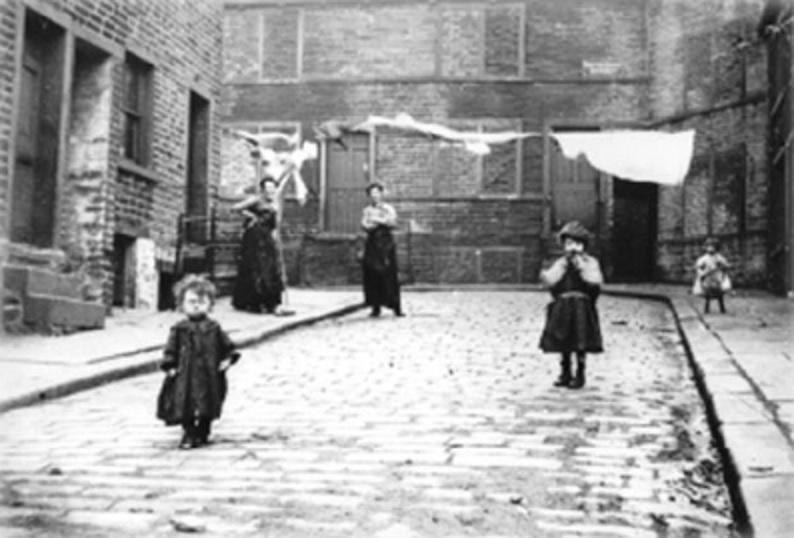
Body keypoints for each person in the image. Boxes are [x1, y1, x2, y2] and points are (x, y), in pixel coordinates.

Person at [159, 275, 240, 449]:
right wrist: (170, 365)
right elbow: (171, 349)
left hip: (209, 374)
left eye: (201, 302)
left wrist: (227, 360)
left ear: (210, 305)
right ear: (182, 304)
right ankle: (189, 432)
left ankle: (203, 430)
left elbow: (227, 346)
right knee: (184, 403)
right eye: (191, 301)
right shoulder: (180, 328)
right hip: (185, 375)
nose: (196, 305)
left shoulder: (214, 328)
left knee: (208, 403)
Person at [539, 221, 604, 389]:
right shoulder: (561, 262)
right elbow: (551, 280)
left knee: (580, 340)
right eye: (569, 244)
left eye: (577, 244)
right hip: (563, 306)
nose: (573, 248)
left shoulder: (590, 262)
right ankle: (565, 371)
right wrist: (548, 275)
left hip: (581, 307)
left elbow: (595, 280)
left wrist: (581, 267)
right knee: (563, 339)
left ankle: (580, 373)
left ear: (584, 245)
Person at [231, 176, 285, 314]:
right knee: (256, 268)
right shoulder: (256, 199)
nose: (270, 191)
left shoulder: (276, 203)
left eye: (273, 188)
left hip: (267, 238)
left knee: (270, 268)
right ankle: (253, 302)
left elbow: (275, 224)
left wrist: (275, 236)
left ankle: (271, 303)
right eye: (267, 188)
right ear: (262, 190)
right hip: (254, 238)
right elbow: (235, 208)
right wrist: (251, 216)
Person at [361, 182, 403, 317]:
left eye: (377, 193)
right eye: (372, 194)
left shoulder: (388, 208)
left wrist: (377, 220)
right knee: (372, 275)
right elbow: (365, 225)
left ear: (382, 194)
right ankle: (375, 306)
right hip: (372, 244)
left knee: (389, 274)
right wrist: (379, 220)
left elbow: (392, 222)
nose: (375, 196)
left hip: (386, 244)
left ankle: (395, 306)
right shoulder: (367, 210)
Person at [693, 237, 731, 314]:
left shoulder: (719, 257)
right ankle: (706, 308)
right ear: (706, 247)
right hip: (708, 278)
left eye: (713, 246)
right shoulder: (704, 258)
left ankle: (722, 308)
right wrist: (703, 272)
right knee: (708, 294)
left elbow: (726, 264)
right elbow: (698, 267)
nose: (711, 248)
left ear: (716, 247)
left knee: (720, 294)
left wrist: (724, 266)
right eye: (709, 246)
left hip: (717, 278)